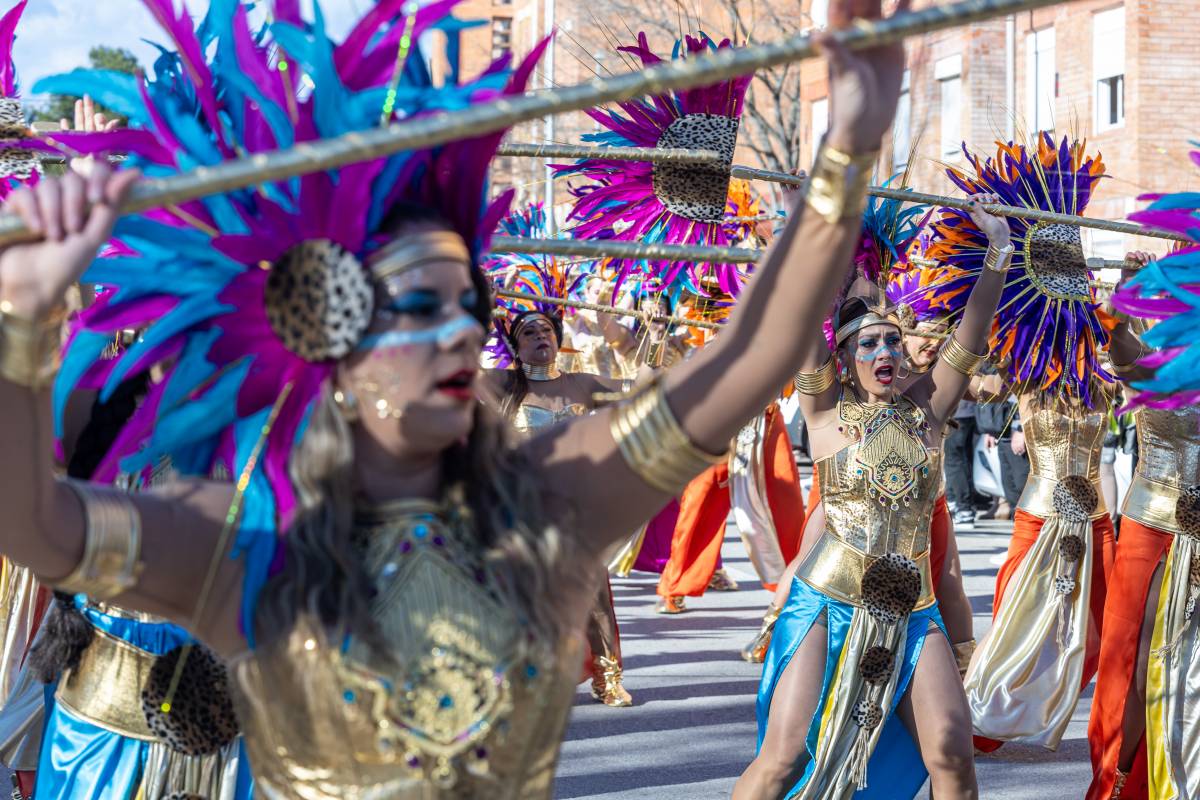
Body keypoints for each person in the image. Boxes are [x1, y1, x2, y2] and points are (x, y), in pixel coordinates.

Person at [0, 1, 914, 795]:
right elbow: (33, 524)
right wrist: (22, 323)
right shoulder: (255, 545)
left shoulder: (546, 501)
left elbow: (757, 349)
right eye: (417, 308)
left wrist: (850, 143)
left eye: (466, 304)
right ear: (330, 337)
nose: (457, 332)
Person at [735, 188, 1010, 800]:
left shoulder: (928, 410)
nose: (884, 351)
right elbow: (804, 309)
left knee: (952, 753)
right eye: (868, 343)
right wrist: (809, 227)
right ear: (842, 357)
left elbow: (970, 338)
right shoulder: (825, 412)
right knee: (785, 756)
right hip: (827, 602)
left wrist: (998, 248)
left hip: (913, 608)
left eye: (892, 340)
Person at [481, 307, 632, 707]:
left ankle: (608, 677)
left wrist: (653, 334)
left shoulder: (582, 383)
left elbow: (645, 388)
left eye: (546, 330)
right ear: (515, 347)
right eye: (529, 333)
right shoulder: (501, 383)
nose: (540, 337)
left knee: (594, 597)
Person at [1085, 251, 1193, 800]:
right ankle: (1121, 782)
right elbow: (1119, 340)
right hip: (1153, 532)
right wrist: (1126, 295)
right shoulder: (1156, 361)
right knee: (1138, 659)